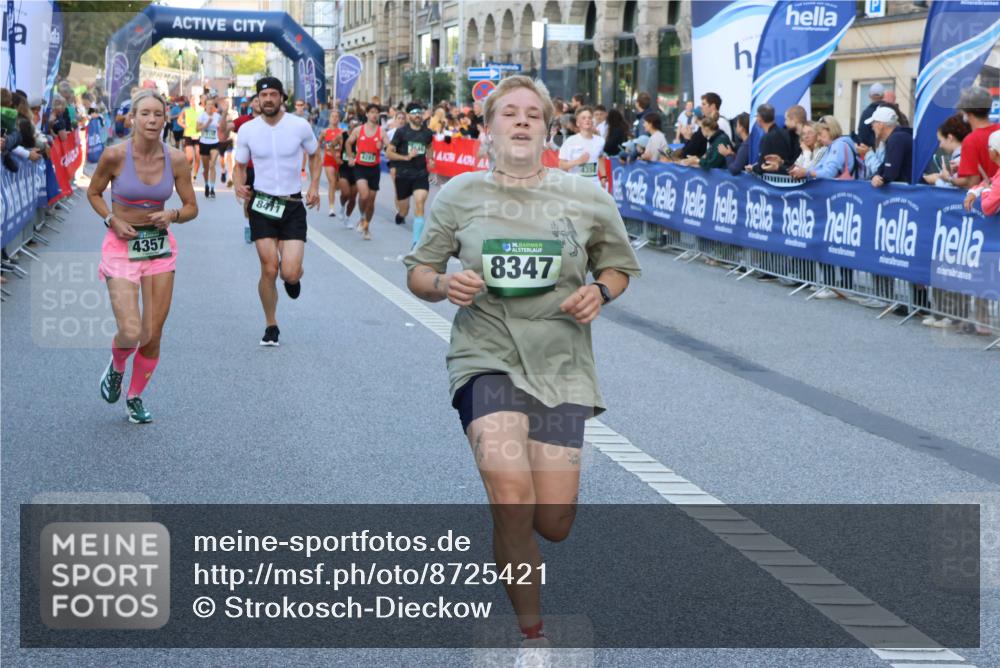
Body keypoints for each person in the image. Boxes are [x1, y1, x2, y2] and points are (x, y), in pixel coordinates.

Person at [402, 74, 641, 664]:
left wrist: (600, 295)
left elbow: (617, 267)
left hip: (560, 364)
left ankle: (522, 551)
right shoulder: (459, 195)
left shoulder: (584, 196)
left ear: (549, 126)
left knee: (553, 521)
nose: (522, 121)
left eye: (533, 113)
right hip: (486, 357)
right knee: (511, 493)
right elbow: (419, 273)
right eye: (509, 112)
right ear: (487, 128)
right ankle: (533, 633)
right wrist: (443, 283)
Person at [87, 89, 198, 423]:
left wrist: (173, 215)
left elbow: (192, 207)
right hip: (121, 246)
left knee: (152, 334)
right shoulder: (114, 156)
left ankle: (134, 396)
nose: (152, 120)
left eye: (158, 114)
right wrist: (112, 219)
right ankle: (117, 366)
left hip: (159, 247)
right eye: (145, 114)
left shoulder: (177, 159)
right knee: (131, 330)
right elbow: (93, 192)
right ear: (132, 118)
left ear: (167, 119)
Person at [233, 77, 321, 347]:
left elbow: (316, 155)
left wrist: (315, 185)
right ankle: (271, 324)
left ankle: (293, 278)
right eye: (263, 95)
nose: (268, 99)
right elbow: (239, 166)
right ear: (257, 100)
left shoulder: (299, 125)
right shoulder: (248, 130)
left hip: (293, 204)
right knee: (269, 268)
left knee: (289, 273)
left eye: (273, 94)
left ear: (282, 97)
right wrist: (238, 185)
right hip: (262, 204)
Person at [386, 102, 435, 248]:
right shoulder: (401, 132)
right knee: (404, 209)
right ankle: (400, 215)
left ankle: (416, 242)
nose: (418, 115)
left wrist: (431, 159)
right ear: (408, 116)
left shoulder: (427, 133)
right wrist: (405, 157)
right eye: (414, 113)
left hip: (420, 174)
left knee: (420, 203)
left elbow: (429, 147)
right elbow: (389, 152)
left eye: (419, 112)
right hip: (403, 174)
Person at [346, 103, 390, 240]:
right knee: (364, 196)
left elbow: (389, 147)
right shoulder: (359, 130)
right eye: (371, 112)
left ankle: (366, 225)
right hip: (360, 167)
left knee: (371, 202)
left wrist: (382, 146)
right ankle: (362, 216)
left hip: (374, 169)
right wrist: (350, 157)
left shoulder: (381, 132)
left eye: (376, 112)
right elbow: (348, 143)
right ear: (367, 114)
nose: (374, 115)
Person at [952, 86, 1000, 190]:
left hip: (987, 201)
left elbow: (973, 182)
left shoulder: (971, 141)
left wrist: (948, 178)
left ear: (967, 113)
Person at [790, 115, 858, 180]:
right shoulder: (832, 146)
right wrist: (803, 172)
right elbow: (818, 168)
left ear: (830, 130)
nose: (818, 139)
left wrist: (806, 173)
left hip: (840, 190)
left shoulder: (838, 146)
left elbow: (829, 173)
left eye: (820, 134)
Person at [233, 94, 260, 242]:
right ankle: (248, 226)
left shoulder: (271, 122)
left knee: (263, 199)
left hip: (265, 169)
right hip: (248, 167)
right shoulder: (244, 121)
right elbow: (225, 131)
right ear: (251, 104)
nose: (258, 103)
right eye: (255, 100)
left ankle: (263, 226)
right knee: (248, 200)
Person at [558, 105, 607, 188]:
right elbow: (561, 165)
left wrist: (603, 176)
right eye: (583, 118)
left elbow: (600, 157)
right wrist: (578, 161)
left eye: (589, 117)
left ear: (592, 121)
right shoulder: (570, 141)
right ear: (577, 123)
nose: (587, 120)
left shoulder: (600, 141)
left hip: (594, 186)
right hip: (576, 186)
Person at [868, 106, 913, 186]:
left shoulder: (896, 139)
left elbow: (890, 174)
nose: (872, 127)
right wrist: (876, 176)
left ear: (881, 124)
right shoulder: (898, 137)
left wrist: (880, 179)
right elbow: (884, 167)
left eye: (873, 123)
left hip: (907, 194)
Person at [924, 114, 970, 188]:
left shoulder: (960, 161)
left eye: (940, 141)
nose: (940, 145)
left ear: (949, 138)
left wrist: (936, 180)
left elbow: (954, 191)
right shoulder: (965, 157)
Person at [752, 104, 793, 175]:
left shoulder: (767, 138)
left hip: (776, 180)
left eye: (756, 116)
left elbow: (763, 165)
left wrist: (753, 168)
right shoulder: (785, 133)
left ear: (759, 118)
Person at [336, 116, 361, 228]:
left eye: (357, 126)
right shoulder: (343, 135)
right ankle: (342, 207)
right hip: (344, 168)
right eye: (352, 126)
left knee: (353, 197)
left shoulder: (362, 138)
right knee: (345, 193)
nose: (354, 128)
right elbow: (330, 145)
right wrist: (336, 156)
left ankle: (348, 217)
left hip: (357, 170)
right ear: (349, 126)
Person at [320, 108, 345, 217]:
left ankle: (342, 204)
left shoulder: (342, 132)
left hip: (339, 161)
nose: (334, 118)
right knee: (332, 182)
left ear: (339, 119)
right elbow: (318, 143)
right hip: (329, 160)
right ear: (329, 118)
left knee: (340, 185)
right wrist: (317, 155)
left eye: (336, 117)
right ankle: (331, 208)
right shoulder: (325, 132)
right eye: (332, 116)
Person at [196, 97, 222, 198]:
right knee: (206, 168)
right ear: (205, 105)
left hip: (215, 142)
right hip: (204, 143)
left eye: (212, 104)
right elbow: (197, 129)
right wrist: (206, 124)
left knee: (212, 165)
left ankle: (212, 188)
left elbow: (221, 127)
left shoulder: (217, 116)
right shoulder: (201, 116)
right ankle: (206, 184)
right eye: (208, 104)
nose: (210, 106)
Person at [856, 82, 886, 149]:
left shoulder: (867, 113)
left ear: (870, 96)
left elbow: (862, 134)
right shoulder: (890, 110)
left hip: (871, 151)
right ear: (883, 95)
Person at [178, 95, 201, 180]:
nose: (194, 101)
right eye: (192, 100)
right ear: (190, 101)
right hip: (188, 135)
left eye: (195, 99)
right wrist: (184, 125)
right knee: (190, 158)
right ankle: (188, 170)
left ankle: (194, 175)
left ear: (198, 101)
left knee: (198, 157)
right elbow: (179, 120)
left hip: (199, 135)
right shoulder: (186, 110)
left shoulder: (202, 110)